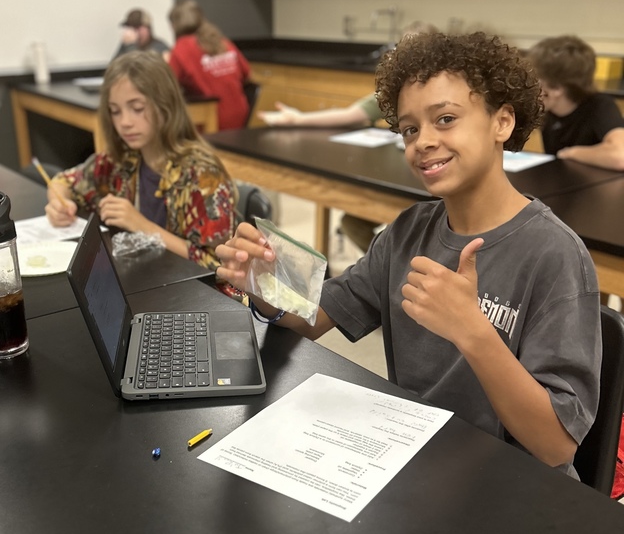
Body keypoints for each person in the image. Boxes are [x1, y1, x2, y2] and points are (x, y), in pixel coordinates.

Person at [216, 31, 602, 476]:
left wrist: (473, 332)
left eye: (446, 119)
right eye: (409, 129)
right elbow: (312, 318)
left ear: (503, 122)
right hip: (420, 465)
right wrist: (268, 281)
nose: (423, 142)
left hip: (513, 487)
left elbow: (556, 446)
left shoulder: (553, 255)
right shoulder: (407, 232)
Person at [45, 50, 235, 272]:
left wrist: (142, 226)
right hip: (143, 279)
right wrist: (59, 203)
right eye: (115, 112)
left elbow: (220, 267)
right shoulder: (121, 160)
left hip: (189, 293)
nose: (125, 122)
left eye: (137, 109)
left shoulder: (202, 176)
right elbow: (63, 181)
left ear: (165, 106)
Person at [258, 22, 438, 250]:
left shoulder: (444, 91)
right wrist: (298, 119)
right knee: (352, 222)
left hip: (433, 184)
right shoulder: (395, 91)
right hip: (402, 176)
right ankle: (388, 268)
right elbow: (350, 114)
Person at [528, 35, 624, 169]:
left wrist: (572, 153)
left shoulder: (600, 107)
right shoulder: (548, 111)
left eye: (535, 80)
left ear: (556, 88)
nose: (529, 86)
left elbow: (620, 156)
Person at [168, 0, 252, 130]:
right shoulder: (222, 41)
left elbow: (167, 86)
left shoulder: (181, 49)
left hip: (210, 120)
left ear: (174, 25)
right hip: (241, 116)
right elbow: (247, 73)